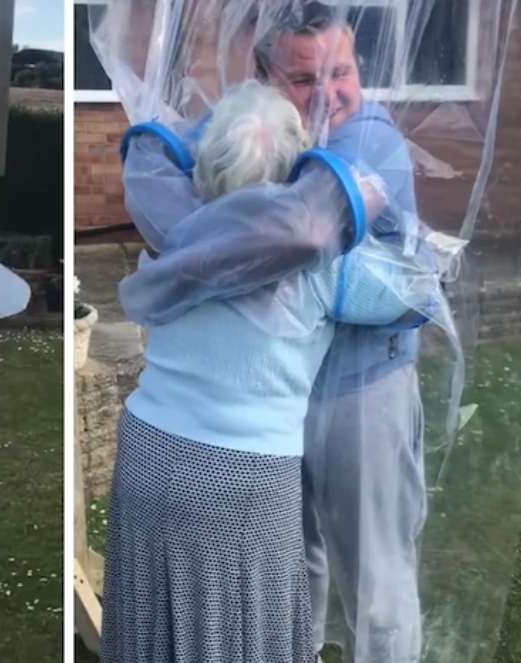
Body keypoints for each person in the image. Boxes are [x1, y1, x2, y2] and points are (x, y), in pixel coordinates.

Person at [100, 79, 442, 663]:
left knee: (155, 622)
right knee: (239, 634)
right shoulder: (330, 269)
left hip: (148, 452)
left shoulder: (172, 240)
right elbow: (422, 294)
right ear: (293, 175)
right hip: (241, 481)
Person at [254, 5, 427, 660]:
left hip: (362, 390)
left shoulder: (369, 139)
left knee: (378, 582)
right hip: (284, 388)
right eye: (303, 79)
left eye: (342, 70)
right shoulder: (273, 133)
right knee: (294, 570)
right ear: (267, 80)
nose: (329, 93)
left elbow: (298, 233)